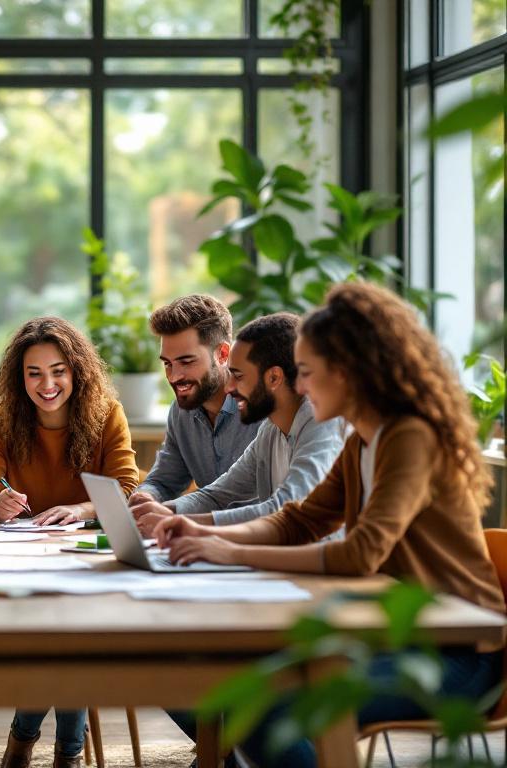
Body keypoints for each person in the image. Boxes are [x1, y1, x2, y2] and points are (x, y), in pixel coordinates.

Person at [143, 282, 506, 767]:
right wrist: (205, 534)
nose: (301, 388)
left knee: (268, 711)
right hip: (396, 634)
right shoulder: (361, 443)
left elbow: (361, 553)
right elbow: (299, 520)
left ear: (348, 372)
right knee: (238, 687)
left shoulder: (409, 438)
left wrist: (229, 550)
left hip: (457, 653)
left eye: (309, 373)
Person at [0, 317, 139, 768]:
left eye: (58, 371)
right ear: (19, 377)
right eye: (34, 373)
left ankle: (23, 742)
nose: (47, 385)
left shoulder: (107, 414)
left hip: (88, 557)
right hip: (22, 560)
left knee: (71, 635)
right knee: (66, 640)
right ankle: (68, 754)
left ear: (77, 371)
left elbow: (126, 487)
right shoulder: (3, 418)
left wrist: (80, 510)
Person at [132, 312, 344, 536]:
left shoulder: (322, 420)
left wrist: (188, 525)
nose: (229, 388)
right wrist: (163, 512)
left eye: (239, 376)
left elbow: (285, 509)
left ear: (274, 378)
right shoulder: (271, 429)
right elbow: (219, 494)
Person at [127, 295, 263, 512]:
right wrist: (145, 498)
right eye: (167, 364)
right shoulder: (181, 412)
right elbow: (163, 481)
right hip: (204, 530)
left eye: (187, 362)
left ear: (222, 354)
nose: (174, 377)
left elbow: (257, 502)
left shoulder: (262, 409)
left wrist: (172, 511)